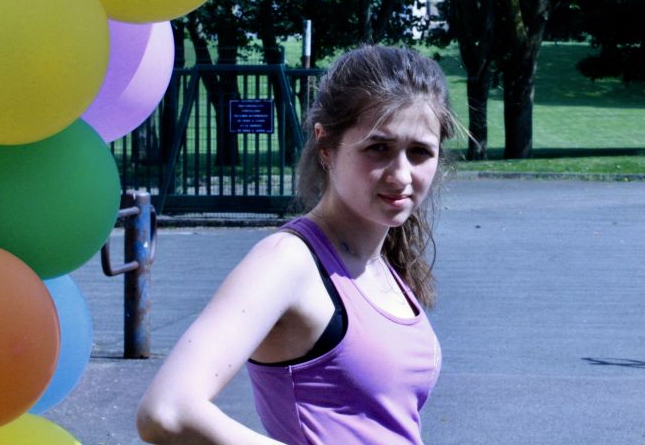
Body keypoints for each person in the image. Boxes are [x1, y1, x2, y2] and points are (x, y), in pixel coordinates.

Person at [136, 44, 459, 445]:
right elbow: (166, 410)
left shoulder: (382, 263)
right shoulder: (288, 261)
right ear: (326, 146)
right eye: (379, 148)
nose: (402, 175)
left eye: (420, 152)